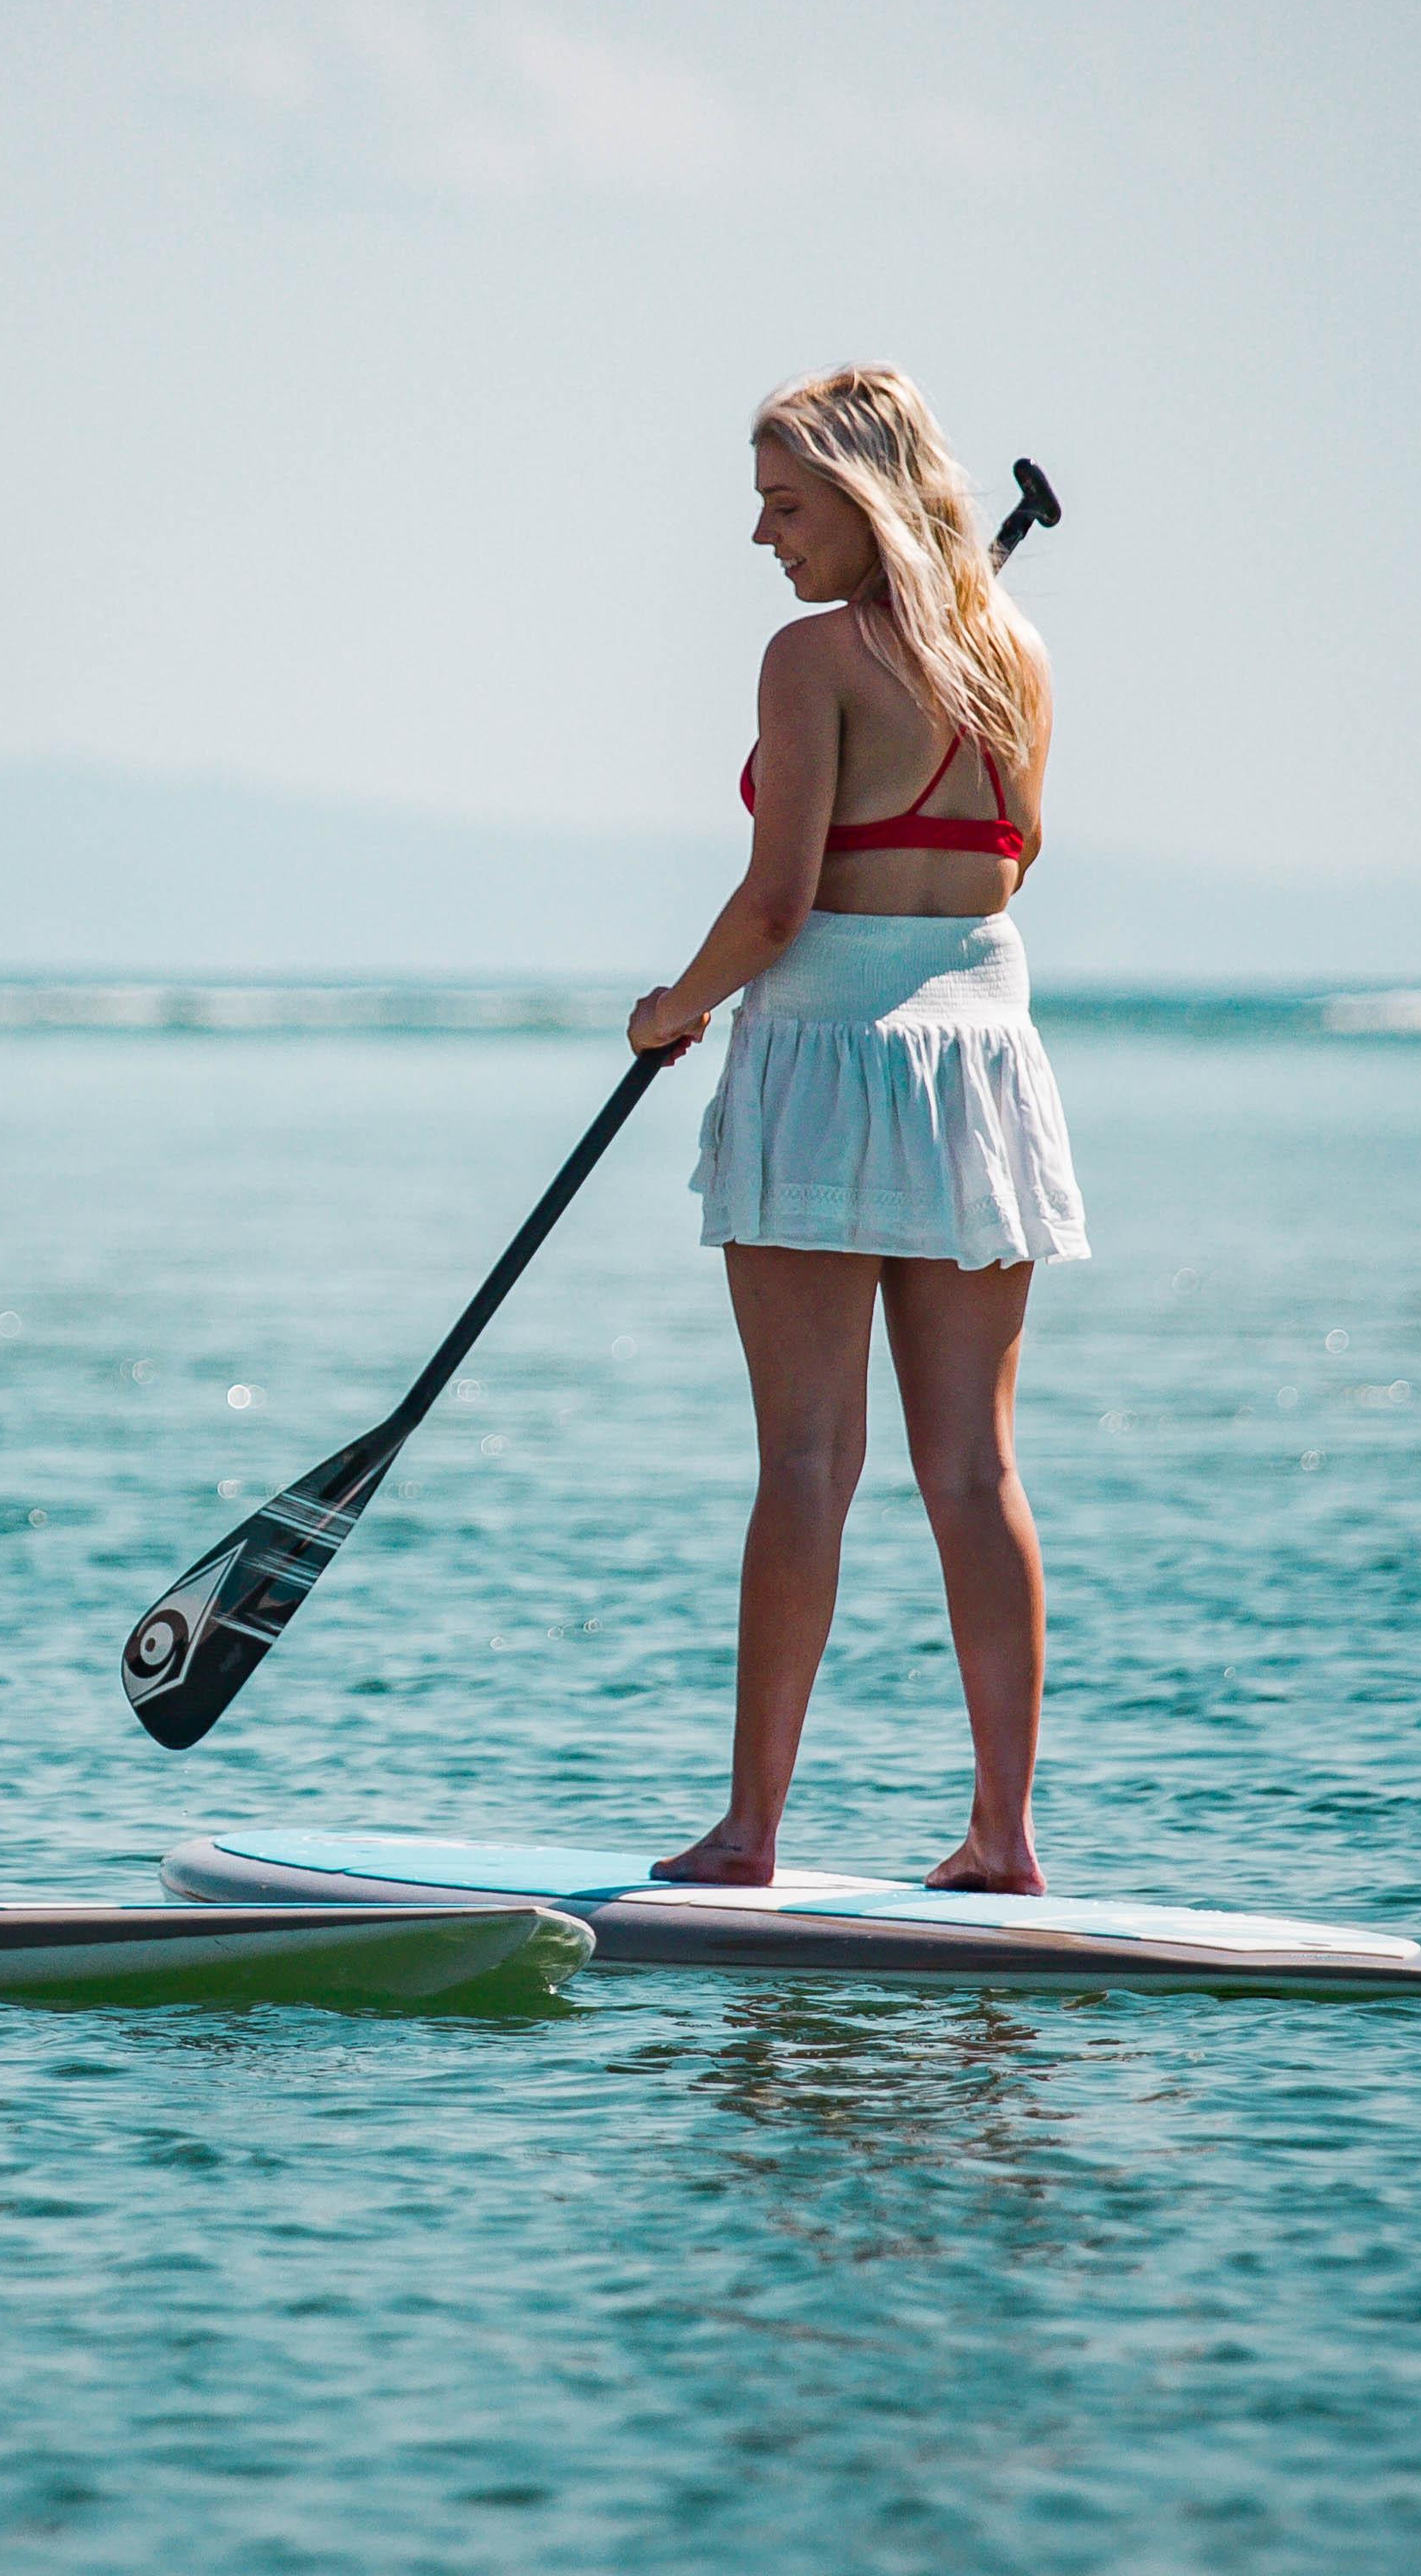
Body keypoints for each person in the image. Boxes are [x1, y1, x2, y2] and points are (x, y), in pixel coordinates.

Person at [625, 365, 1089, 1893]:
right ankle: (1004, 1839)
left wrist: (668, 1006)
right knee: (976, 1473)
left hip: (829, 1053)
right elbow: (1014, 865)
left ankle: (752, 1834)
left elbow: (777, 900)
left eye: (785, 504)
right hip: (983, 1062)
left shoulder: (807, 658)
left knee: (809, 1464)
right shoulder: (1012, 647)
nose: (763, 538)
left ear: (863, 501)